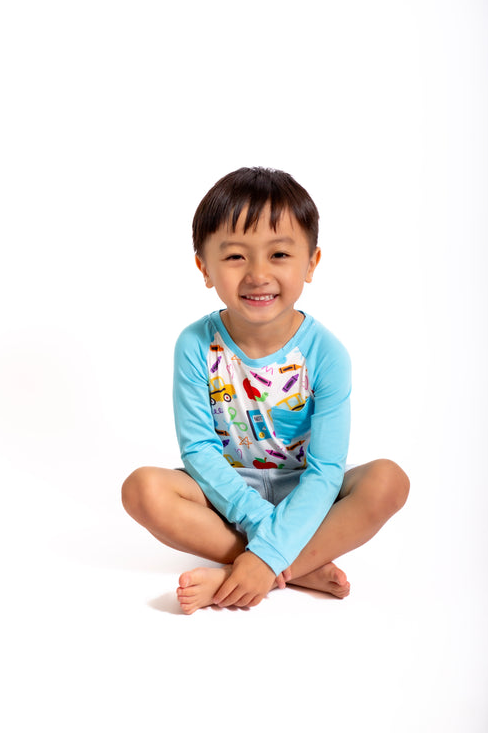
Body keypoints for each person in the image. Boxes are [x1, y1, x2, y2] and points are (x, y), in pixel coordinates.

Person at [121, 167, 410, 614]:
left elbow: (327, 469)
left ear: (311, 263)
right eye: (236, 257)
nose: (258, 274)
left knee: (389, 480)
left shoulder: (326, 353)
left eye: (278, 254)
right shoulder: (196, 344)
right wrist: (264, 531)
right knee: (142, 489)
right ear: (204, 267)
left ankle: (244, 570)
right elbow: (198, 449)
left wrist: (267, 551)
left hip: (306, 487)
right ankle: (296, 566)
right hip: (225, 490)